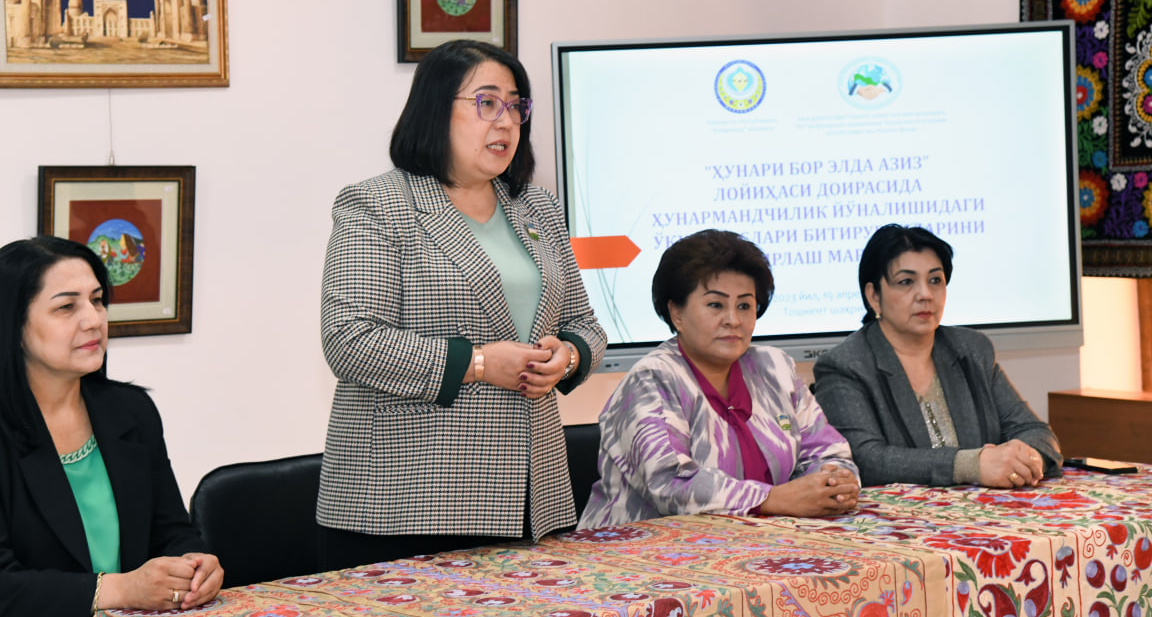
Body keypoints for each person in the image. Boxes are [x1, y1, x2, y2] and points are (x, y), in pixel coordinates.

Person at [317, 39, 606, 569]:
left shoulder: (538, 207)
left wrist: (566, 358)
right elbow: (349, 339)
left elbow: (584, 324)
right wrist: (478, 363)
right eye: (487, 103)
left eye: (515, 106)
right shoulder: (378, 204)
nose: (506, 121)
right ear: (434, 109)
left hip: (533, 493)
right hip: (410, 499)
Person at [0, 237, 222, 617]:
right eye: (66, 307)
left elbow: (170, 530)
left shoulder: (130, 410)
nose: (93, 319)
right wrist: (123, 589)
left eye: (97, 300)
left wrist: (195, 565)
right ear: (13, 324)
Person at [578, 229, 859, 529]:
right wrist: (772, 499)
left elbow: (829, 452)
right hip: (639, 548)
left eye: (744, 306)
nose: (733, 320)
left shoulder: (775, 368)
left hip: (758, 543)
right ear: (676, 313)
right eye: (716, 305)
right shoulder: (651, 380)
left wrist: (832, 484)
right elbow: (670, 484)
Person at [813, 224, 1062, 488]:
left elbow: (1037, 434)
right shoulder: (845, 365)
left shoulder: (971, 350)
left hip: (986, 508)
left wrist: (1023, 461)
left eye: (935, 280)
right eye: (906, 282)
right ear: (874, 296)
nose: (925, 295)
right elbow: (866, 460)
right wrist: (971, 466)